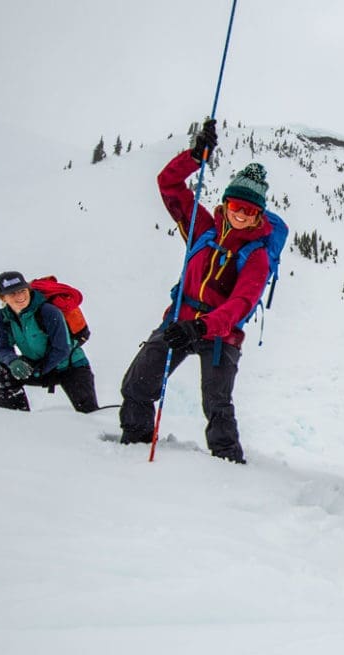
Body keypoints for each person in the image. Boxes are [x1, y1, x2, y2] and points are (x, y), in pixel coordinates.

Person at [119, 119, 277, 464]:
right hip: (180, 319)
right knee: (138, 384)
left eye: (249, 211)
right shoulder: (202, 227)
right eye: (236, 207)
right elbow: (169, 184)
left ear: (258, 216)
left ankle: (227, 465)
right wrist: (195, 156)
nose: (240, 215)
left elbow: (241, 303)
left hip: (220, 334)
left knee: (217, 404)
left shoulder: (258, 255)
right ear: (226, 205)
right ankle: (132, 447)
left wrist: (203, 326)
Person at [0, 271, 98, 413]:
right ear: (3, 298)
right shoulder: (2, 318)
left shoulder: (48, 311)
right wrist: (12, 361)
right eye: (12, 294)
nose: (20, 296)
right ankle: (17, 423)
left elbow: (62, 348)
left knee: (89, 415)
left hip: (70, 367)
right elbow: (3, 347)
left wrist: (38, 370)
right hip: (36, 366)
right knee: (2, 371)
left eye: (22, 290)